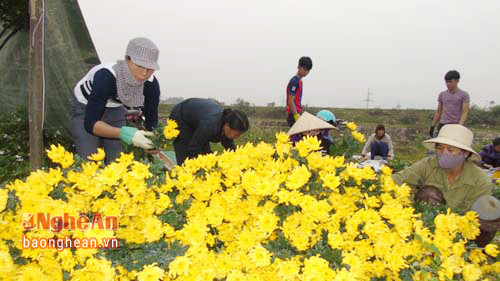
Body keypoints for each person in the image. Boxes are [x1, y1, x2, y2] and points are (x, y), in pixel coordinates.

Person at [72, 37, 161, 164]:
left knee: (118, 161)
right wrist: (126, 134)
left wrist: (152, 141)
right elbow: (90, 124)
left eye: (150, 68)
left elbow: (151, 121)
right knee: (89, 160)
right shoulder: (106, 76)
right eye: (139, 65)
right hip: (85, 106)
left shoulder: (150, 84)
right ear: (127, 59)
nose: (144, 73)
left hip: (114, 108)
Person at [392, 124, 494, 212]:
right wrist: (409, 199)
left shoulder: (480, 181)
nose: (443, 153)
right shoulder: (427, 165)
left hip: (459, 228)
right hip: (423, 221)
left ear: (465, 153)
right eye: (439, 148)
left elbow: (475, 216)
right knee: (429, 194)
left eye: (450, 150)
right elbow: (396, 180)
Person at [169, 98, 249, 165]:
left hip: (198, 118)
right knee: (186, 157)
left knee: (207, 154)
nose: (237, 137)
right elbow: (194, 148)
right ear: (227, 125)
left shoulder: (225, 124)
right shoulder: (209, 125)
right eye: (237, 134)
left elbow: (229, 144)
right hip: (181, 117)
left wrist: (240, 159)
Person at [429, 70, 470, 137]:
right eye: (446, 82)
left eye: (450, 82)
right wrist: (432, 126)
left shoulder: (464, 95)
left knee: (453, 146)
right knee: (437, 145)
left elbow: (464, 112)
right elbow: (439, 111)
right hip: (442, 124)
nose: (448, 84)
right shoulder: (442, 94)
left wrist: (460, 126)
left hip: (456, 125)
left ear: (457, 81)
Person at [286, 56, 313, 127]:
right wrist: (296, 116)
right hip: (293, 115)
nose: (306, 72)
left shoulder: (299, 81)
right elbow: (290, 101)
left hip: (297, 112)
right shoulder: (294, 81)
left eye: (308, 70)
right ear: (298, 66)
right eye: (304, 69)